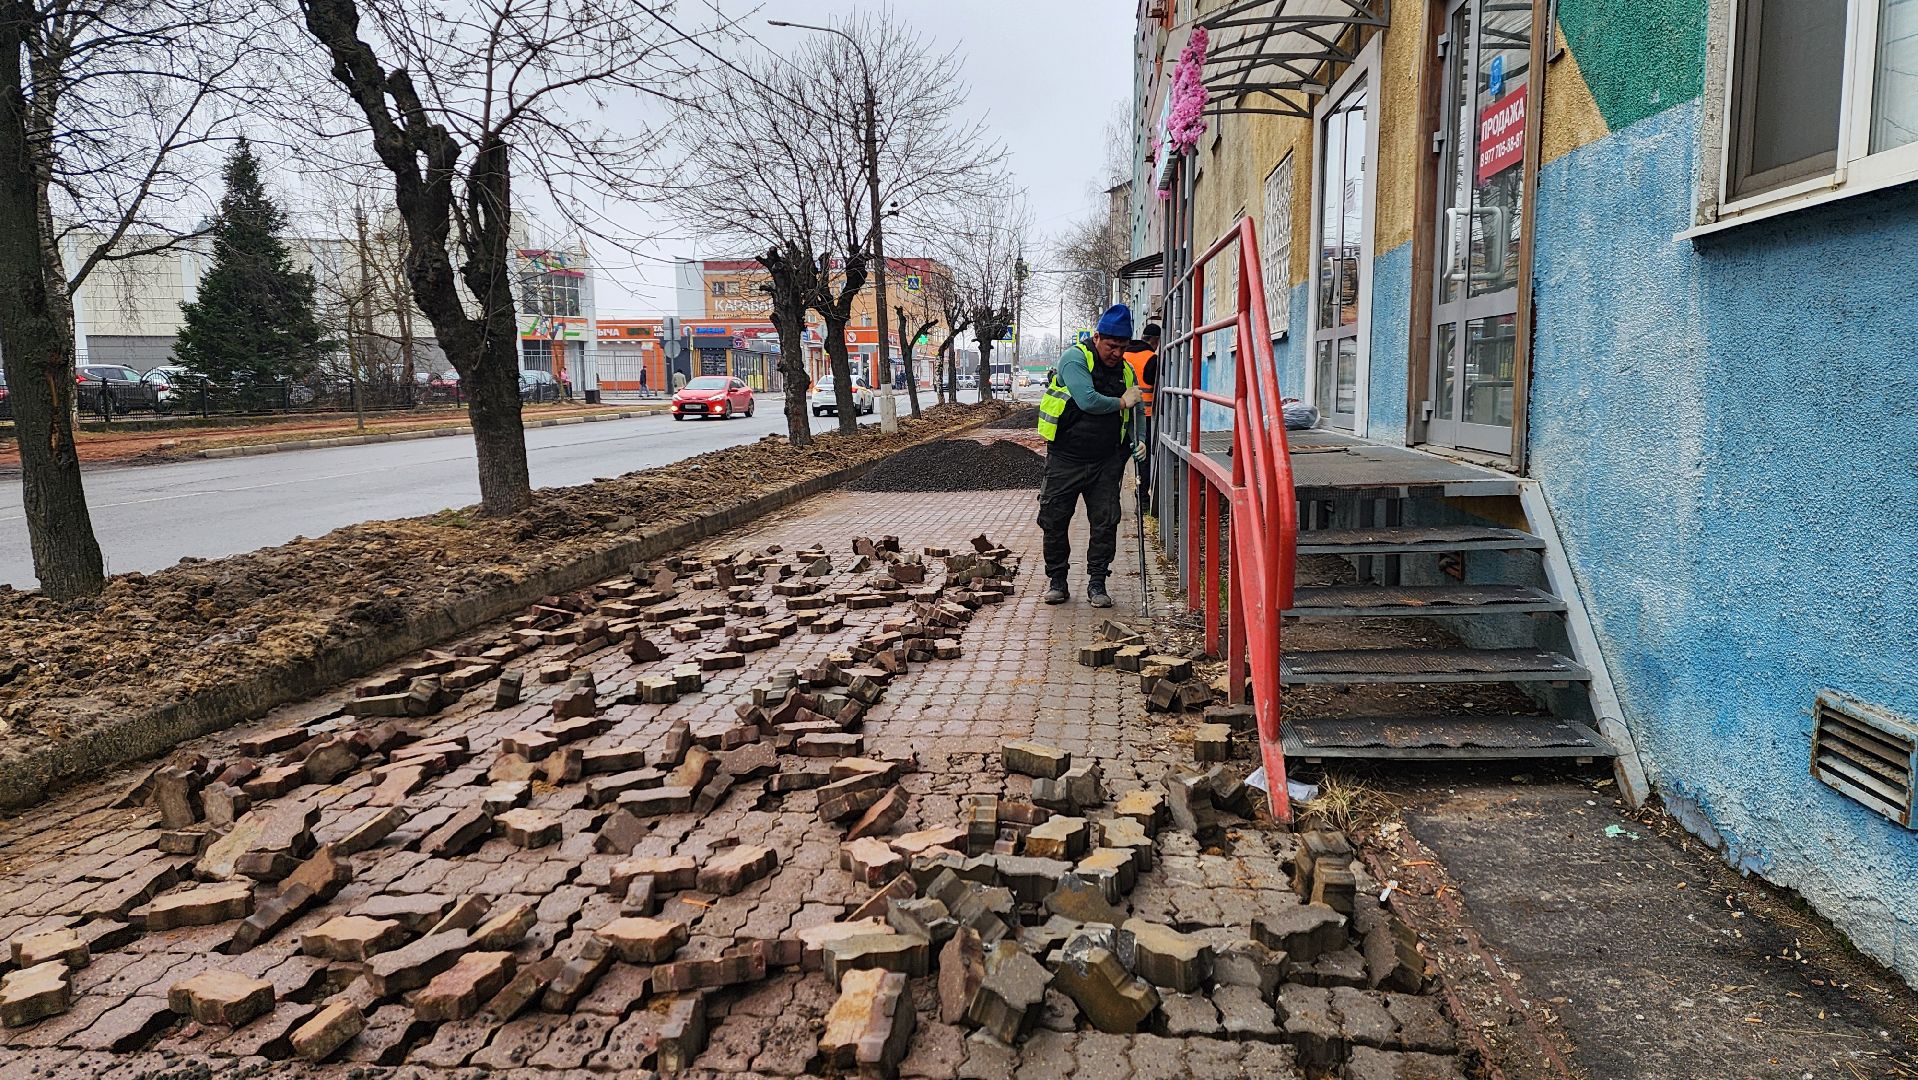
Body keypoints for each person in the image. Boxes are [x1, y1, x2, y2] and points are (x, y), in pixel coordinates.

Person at [1036, 303, 1144, 608]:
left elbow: (1137, 408)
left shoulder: (1125, 369)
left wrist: (1141, 439)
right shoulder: (1074, 359)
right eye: (1112, 346)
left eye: (1123, 347)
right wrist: (1122, 403)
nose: (1117, 353)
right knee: (1054, 520)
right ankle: (1058, 581)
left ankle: (1097, 582)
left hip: (1106, 460)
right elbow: (1087, 401)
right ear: (1097, 337)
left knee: (1106, 522)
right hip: (1065, 458)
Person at [1122, 323, 1160, 492]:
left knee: (1118, 458)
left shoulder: (1122, 354)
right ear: (1154, 341)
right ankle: (1142, 496)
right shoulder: (1152, 358)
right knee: (1142, 457)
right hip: (1145, 415)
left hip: (1121, 414)